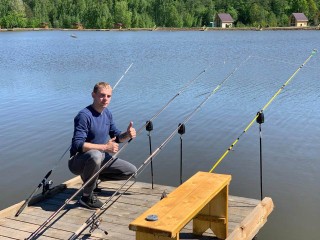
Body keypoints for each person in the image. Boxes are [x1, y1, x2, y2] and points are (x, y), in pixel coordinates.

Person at [69, 82, 137, 209]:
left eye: (108, 96)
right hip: (78, 161)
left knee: (131, 171)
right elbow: (78, 144)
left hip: (100, 158)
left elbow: (116, 137)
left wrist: (127, 134)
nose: (105, 99)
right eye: (102, 95)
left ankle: (92, 180)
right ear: (93, 95)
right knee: (95, 155)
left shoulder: (107, 113)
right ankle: (86, 197)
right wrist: (105, 147)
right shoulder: (84, 116)